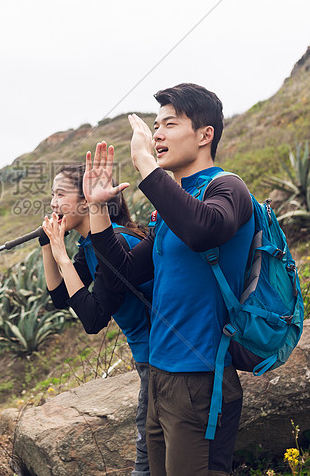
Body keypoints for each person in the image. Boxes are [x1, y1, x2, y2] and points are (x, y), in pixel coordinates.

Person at [83, 84, 254, 476]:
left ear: (204, 134)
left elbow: (203, 230)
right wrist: (96, 209)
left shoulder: (227, 188)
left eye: (169, 124)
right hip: (160, 375)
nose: (156, 134)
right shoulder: (172, 203)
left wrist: (146, 164)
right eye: (154, 126)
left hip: (200, 378)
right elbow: (124, 272)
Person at [39, 163, 153, 476]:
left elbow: (93, 319)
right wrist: (48, 247)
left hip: (162, 358)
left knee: (147, 459)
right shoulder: (89, 245)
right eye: (52, 195)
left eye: (60, 194)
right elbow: (62, 298)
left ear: (88, 200)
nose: (52, 203)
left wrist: (61, 253)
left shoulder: (117, 245)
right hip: (148, 358)